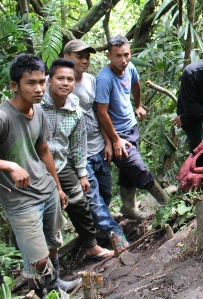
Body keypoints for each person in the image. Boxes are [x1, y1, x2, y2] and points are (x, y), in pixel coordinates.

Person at [0, 54, 80, 297]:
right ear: (14, 86)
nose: (39, 88)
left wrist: (58, 187)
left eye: (42, 82)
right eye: (31, 83)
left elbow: (44, 151)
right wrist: (9, 165)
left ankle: (55, 286)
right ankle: (45, 292)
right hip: (20, 200)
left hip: (46, 188)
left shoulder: (38, 112)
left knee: (52, 245)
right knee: (38, 259)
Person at [41, 58, 113, 262]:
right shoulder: (37, 105)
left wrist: (82, 173)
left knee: (80, 201)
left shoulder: (75, 110)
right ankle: (45, 266)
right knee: (46, 211)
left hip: (61, 163)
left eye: (70, 79)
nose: (65, 83)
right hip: (37, 165)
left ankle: (91, 246)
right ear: (49, 80)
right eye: (60, 78)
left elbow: (78, 144)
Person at [63, 39, 129, 250]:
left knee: (105, 193)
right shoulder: (56, 83)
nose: (84, 61)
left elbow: (99, 113)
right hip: (77, 155)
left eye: (87, 57)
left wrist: (109, 142)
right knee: (93, 199)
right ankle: (117, 236)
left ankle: (98, 230)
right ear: (66, 58)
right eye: (79, 56)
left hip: (98, 146)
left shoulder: (92, 80)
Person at [95, 36, 168, 220]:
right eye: (118, 56)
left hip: (131, 127)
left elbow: (136, 84)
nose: (123, 60)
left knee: (129, 171)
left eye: (126, 55)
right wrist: (114, 139)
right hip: (118, 134)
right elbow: (101, 113)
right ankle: (167, 203)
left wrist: (139, 105)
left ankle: (128, 207)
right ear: (108, 55)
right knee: (139, 169)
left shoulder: (130, 68)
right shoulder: (104, 79)